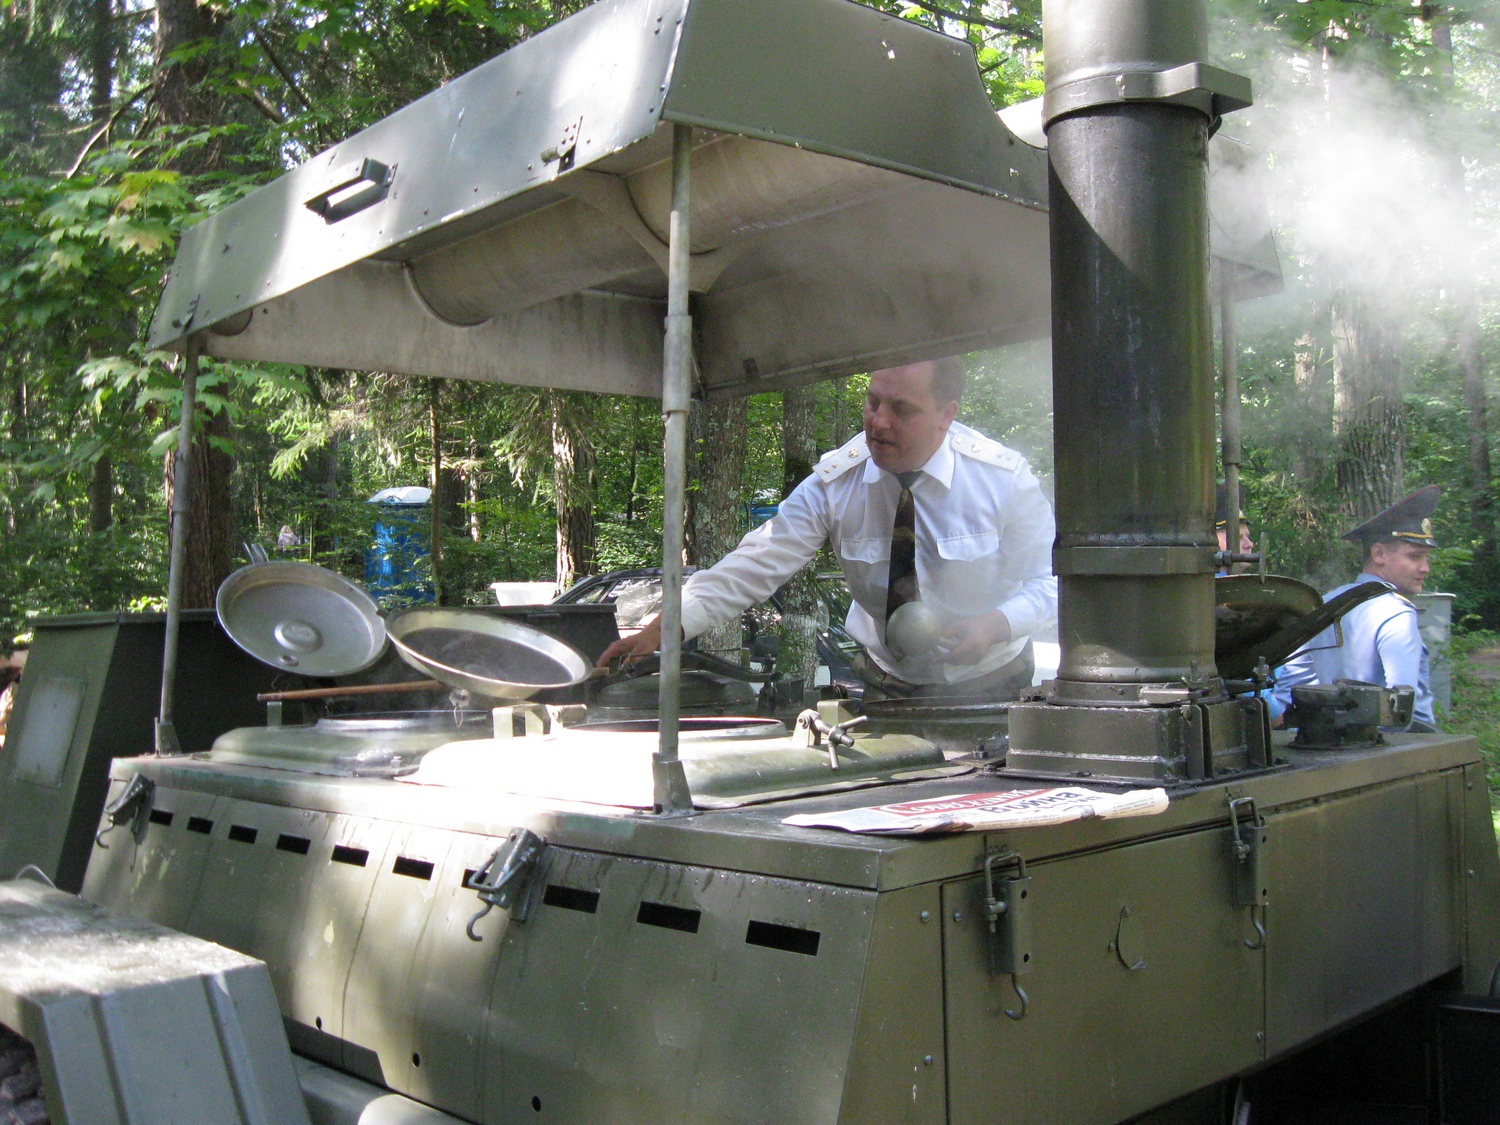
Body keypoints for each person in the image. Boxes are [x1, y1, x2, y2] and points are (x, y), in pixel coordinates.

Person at [599, 358, 1058, 699]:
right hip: (884, 679)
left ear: (946, 414)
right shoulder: (837, 482)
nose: (879, 422)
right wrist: (665, 628)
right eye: (873, 402)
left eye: (902, 409)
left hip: (993, 681)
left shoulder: (1002, 480)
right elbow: (753, 565)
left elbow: (1052, 582)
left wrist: (997, 624)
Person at [1272, 486, 1439, 731]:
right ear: (1379, 553)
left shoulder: (1323, 606)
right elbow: (1399, 715)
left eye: (1426, 558)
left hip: (1325, 749)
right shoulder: (1396, 615)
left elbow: (1289, 699)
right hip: (1395, 754)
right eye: (1415, 557)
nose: (1425, 568)